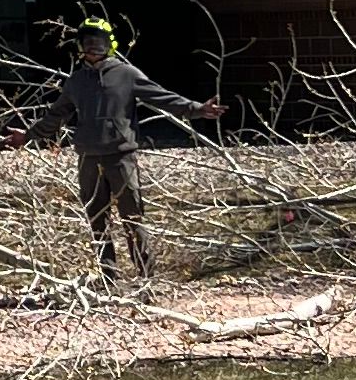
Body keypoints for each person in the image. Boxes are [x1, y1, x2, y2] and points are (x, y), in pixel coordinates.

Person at [30, 15, 222, 282]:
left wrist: (197, 109)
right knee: (97, 221)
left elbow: (162, 96)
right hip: (87, 159)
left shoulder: (127, 75)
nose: (93, 48)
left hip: (121, 158)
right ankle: (108, 279)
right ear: (80, 46)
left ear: (110, 44)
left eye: (99, 42)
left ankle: (146, 280)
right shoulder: (76, 82)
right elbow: (55, 116)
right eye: (88, 42)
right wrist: (27, 136)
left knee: (132, 219)